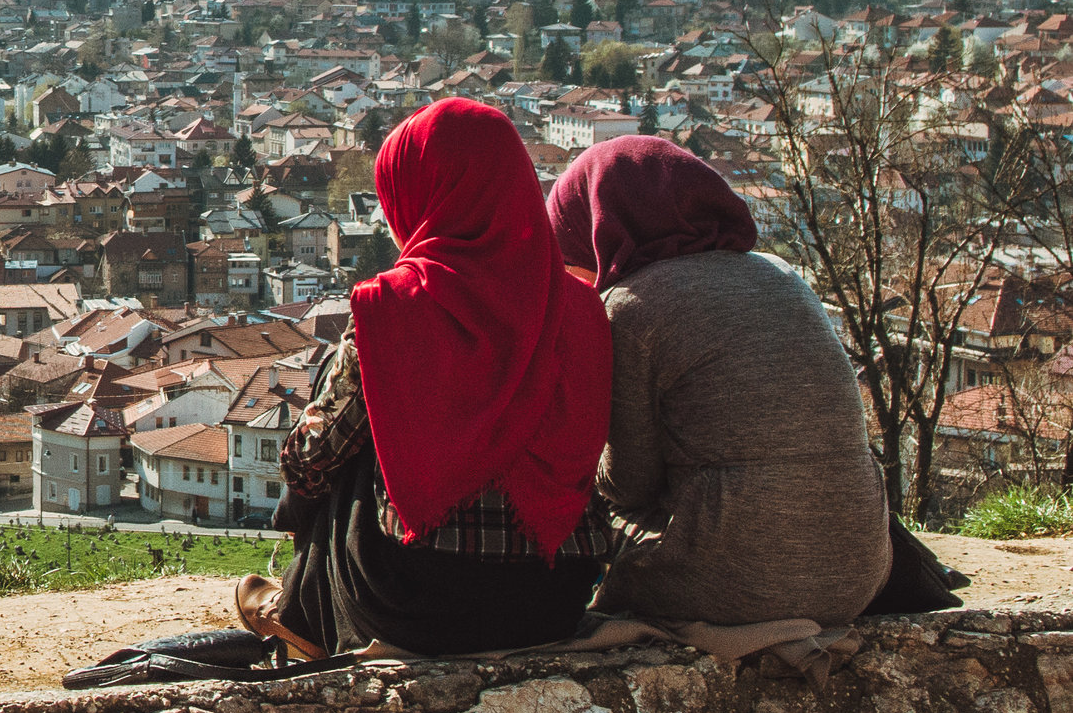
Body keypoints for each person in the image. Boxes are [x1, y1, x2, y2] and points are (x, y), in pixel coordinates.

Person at [235, 98, 614, 658]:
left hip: (414, 603)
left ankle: (301, 608)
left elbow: (310, 457)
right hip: (556, 599)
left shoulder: (394, 306)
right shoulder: (584, 309)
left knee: (353, 442)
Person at [546, 135, 890, 626]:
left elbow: (629, 482)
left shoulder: (631, 307)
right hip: (861, 573)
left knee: (578, 512)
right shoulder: (783, 274)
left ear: (594, 227)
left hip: (733, 583)